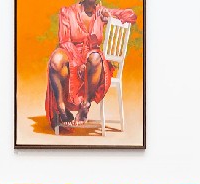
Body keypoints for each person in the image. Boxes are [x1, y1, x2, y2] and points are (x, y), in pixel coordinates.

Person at [44, 0, 138, 133]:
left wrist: (110, 15)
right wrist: (78, 63)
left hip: (94, 64)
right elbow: (64, 42)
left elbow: (131, 16)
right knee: (56, 59)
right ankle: (62, 107)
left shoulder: (100, 12)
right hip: (71, 55)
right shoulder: (67, 12)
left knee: (95, 57)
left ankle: (85, 106)